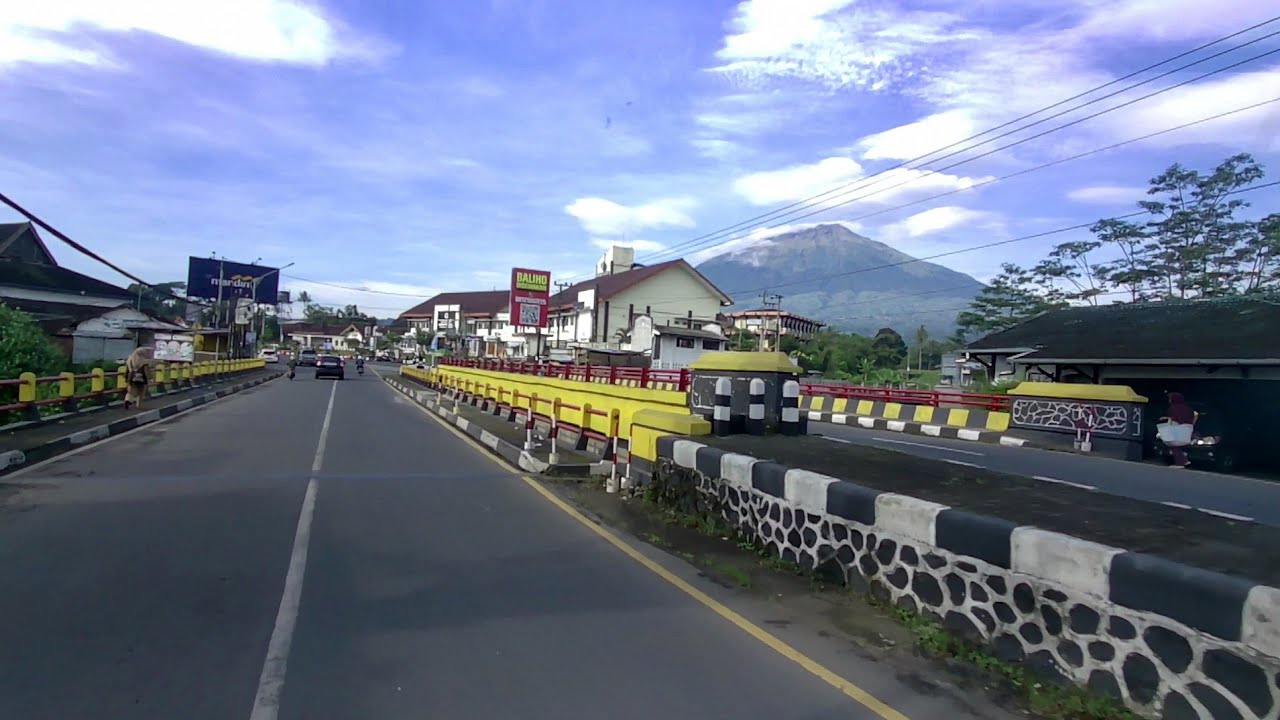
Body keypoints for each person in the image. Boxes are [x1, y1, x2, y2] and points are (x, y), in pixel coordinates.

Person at [1159, 392, 1196, 469]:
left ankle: (1180, 463)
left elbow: (1175, 419)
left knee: (1172, 443)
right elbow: (1194, 415)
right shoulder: (1188, 408)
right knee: (1178, 445)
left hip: (1178, 428)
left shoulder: (1173, 408)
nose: (1169, 400)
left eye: (1170, 399)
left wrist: (1168, 420)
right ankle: (1184, 460)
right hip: (1188, 428)